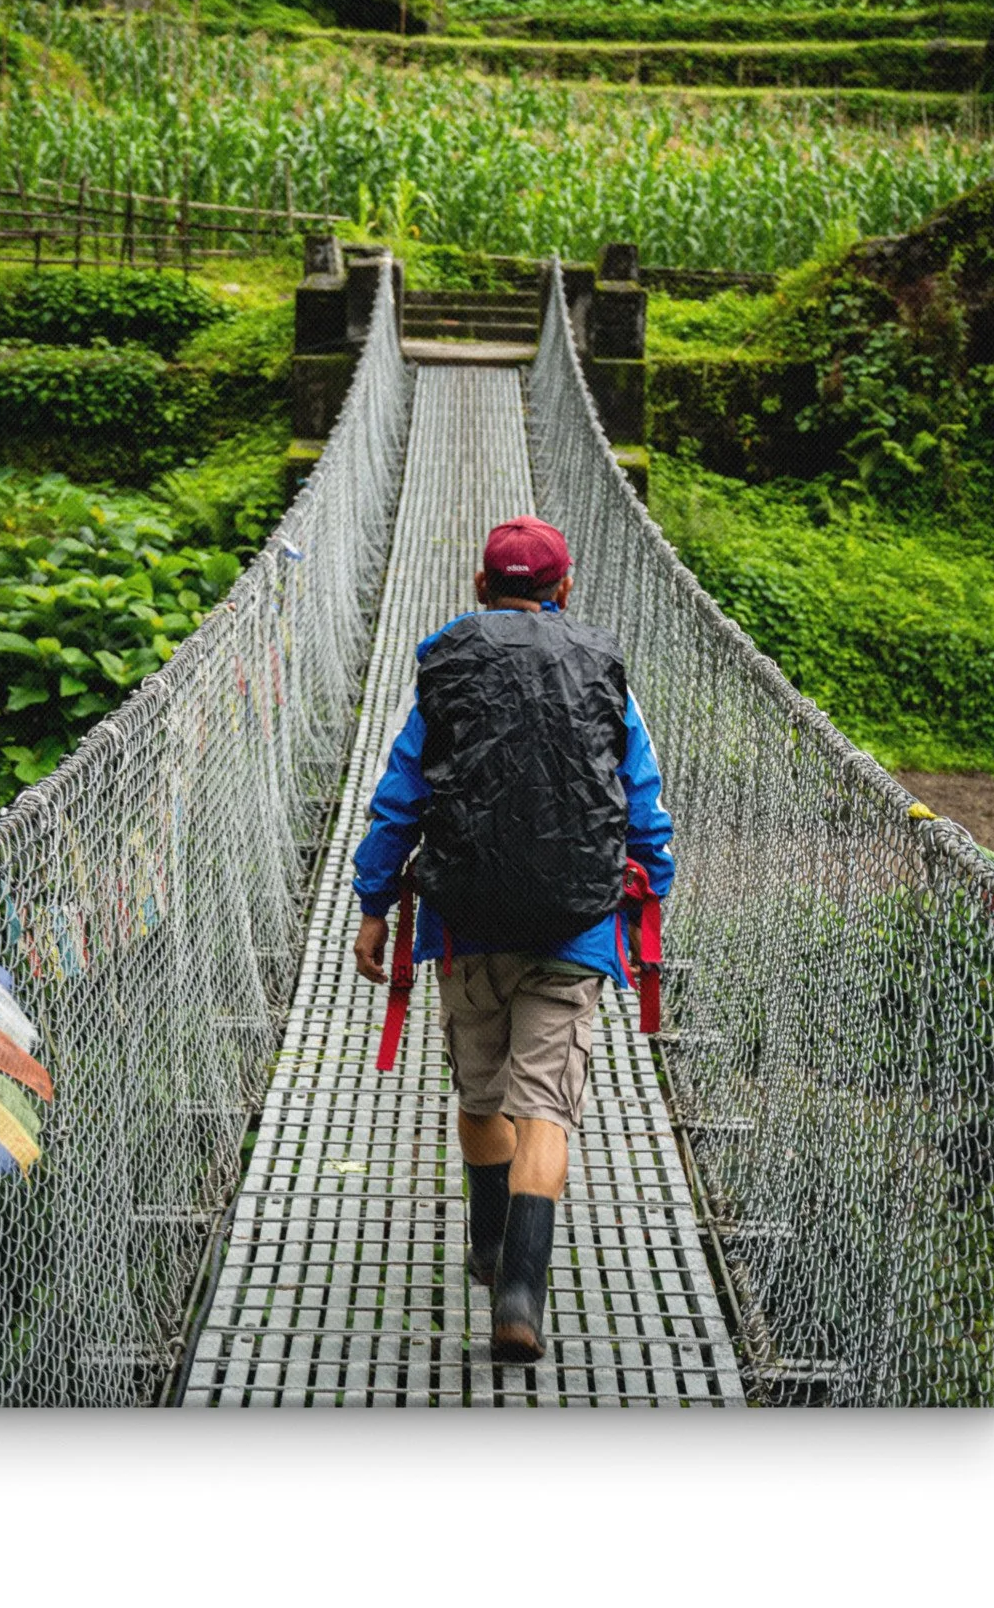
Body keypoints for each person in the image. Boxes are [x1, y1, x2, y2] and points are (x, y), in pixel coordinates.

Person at [351, 515, 674, 1363]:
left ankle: (491, 1250)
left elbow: (401, 795)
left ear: (480, 586)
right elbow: (641, 795)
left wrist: (374, 902)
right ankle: (522, 1298)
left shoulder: (445, 664)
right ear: (565, 590)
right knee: (548, 1109)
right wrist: (654, 894)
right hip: (574, 922)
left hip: (470, 921)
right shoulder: (605, 669)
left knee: (481, 1094)